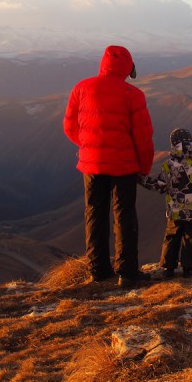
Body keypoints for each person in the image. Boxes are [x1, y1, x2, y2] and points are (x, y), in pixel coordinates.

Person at [63, 45, 154, 289]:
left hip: (91, 164)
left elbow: (70, 127)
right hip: (124, 166)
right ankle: (127, 273)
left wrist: (89, 147)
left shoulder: (82, 88)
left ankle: (99, 271)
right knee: (124, 216)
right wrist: (144, 168)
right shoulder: (133, 95)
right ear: (128, 68)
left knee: (95, 213)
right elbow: (143, 138)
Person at [141, 128, 192, 278]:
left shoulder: (170, 164)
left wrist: (142, 180)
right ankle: (189, 269)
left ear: (173, 144)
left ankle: (168, 269)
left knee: (172, 238)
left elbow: (160, 185)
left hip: (175, 210)